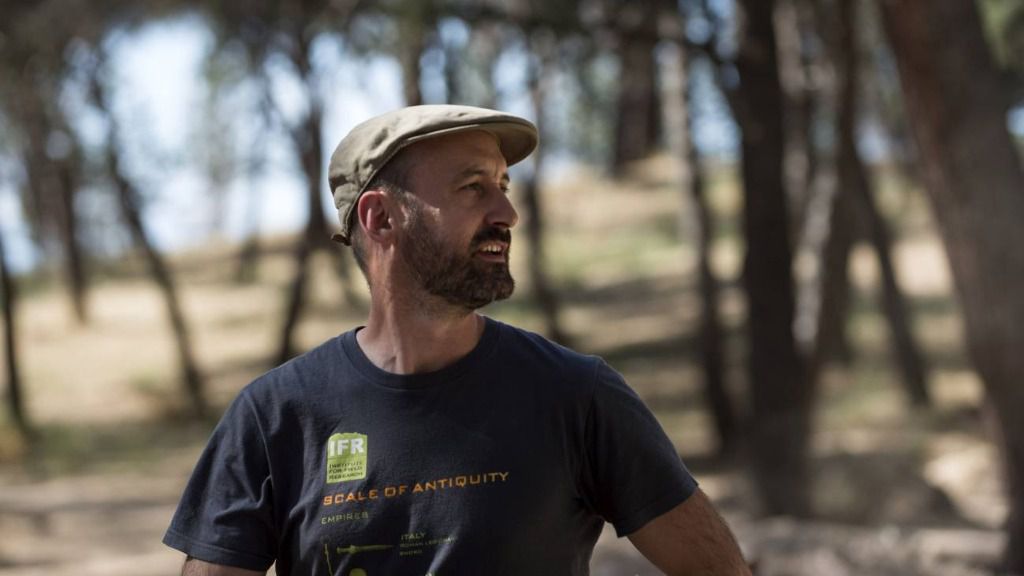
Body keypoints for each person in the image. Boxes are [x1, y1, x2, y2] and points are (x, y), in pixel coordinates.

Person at [163, 105, 751, 576]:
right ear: (381, 218)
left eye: (503, 184)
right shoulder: (273, 416)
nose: (507, 212)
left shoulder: (576, 395)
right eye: (474, 188)